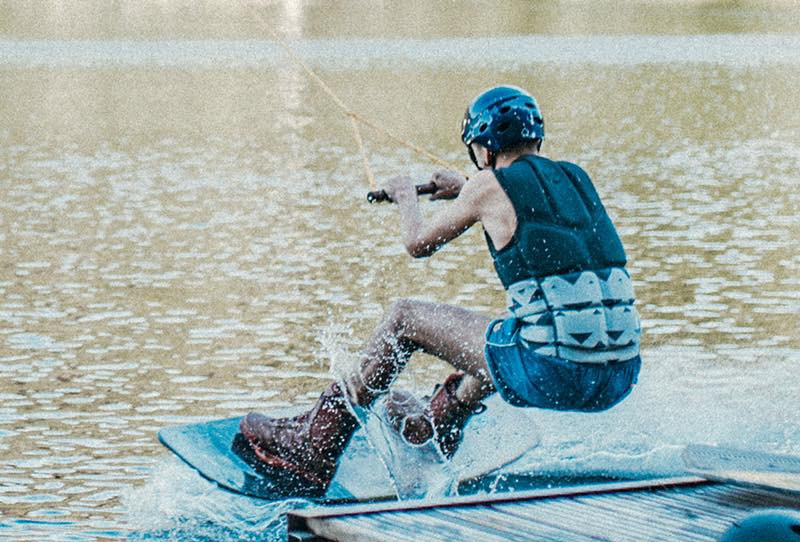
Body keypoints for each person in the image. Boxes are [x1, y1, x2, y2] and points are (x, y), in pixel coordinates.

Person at [234, 85, 641, 494]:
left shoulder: (486, 188)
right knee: (508, 331)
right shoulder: (576, 178)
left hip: (550, 374)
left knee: (404, 318)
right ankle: (436, 426)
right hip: (617, 376)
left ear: (484, 150)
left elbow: (418, 244)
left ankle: (315, 444)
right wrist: (466, 188)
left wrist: (405, 196)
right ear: (536, 138)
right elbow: (527, 207)